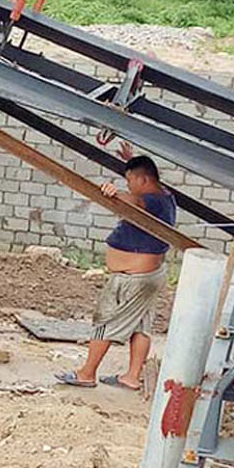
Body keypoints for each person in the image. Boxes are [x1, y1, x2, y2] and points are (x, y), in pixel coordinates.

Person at [56, 145, 177, 390]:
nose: (128, 184)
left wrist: (115, 193)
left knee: (105, 323)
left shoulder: (150, 201)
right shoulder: (166, 197)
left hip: (133, 279)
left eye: (131, 180)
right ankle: (131, 377)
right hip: (149, 277)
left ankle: (86, 373)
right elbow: (144, 184)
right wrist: (131, 161)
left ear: (143, 179)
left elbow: (137, 200)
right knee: (141, 326)